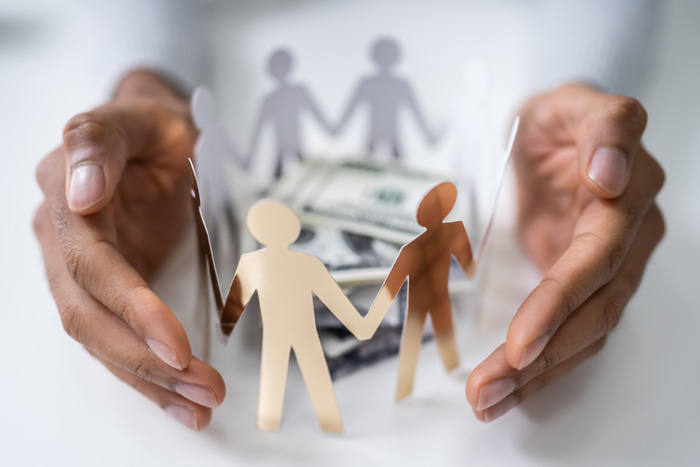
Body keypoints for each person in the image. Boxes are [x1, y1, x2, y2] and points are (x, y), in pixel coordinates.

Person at [33, 1, 665, 431]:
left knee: (332, 361)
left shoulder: (264, 257)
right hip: (331, 319)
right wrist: (145, 82)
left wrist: (583, 85)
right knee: (328, 359)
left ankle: (345, 402)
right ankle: (340, 408)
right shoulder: (317, 253)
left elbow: (254, 299)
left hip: (364, 311)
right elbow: (331, 292)